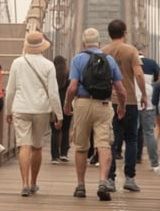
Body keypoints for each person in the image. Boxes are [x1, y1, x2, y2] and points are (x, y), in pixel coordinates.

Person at [63, 27, 126, 201]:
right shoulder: (110, 60)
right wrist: (122, 106)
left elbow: (73, 87)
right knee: (103, 144)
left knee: (81, 146)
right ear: (99, 43)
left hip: (82, 103)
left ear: (84, 44)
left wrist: (68, 105)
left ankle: (81, 186)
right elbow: (120, 89)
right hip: (104, 105)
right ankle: (103, 182)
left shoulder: (78, 59)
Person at [4, 31, 63, 196]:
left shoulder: (17, 63)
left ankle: (23, 184)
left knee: (24, 146)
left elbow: (10, 90)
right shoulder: (48, 65)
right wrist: (59, 115)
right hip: (41, 110)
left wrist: (8, 110)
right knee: (36, 147)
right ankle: (33, 183)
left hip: (21, 108)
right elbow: (53, 93)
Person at [103, 19, 147, 193]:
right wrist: (143, 94)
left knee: (111, 141)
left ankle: (110, 179)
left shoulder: (103, 52)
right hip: (129, 101)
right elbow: (139, 75)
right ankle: (130, 178)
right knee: (131, 139)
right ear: (125, 33)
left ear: (109, 33)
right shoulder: (131, 50)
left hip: (109, 103)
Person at [137, 45, 160, 169]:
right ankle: (154, 162)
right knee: (149, 132)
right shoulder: (151, 63)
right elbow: (157, 80)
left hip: (131, 101)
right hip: (148, 101)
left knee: (132, 133)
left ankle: (134, 158)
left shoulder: (129, 61)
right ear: (144, 53)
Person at [50, 54, 72, 164]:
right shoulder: (68, 75)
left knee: (54, 131)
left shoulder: (51, 74)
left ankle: (55, 156)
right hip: (66, 103)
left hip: (54, 104)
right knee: (65, 129)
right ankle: (64, 153)